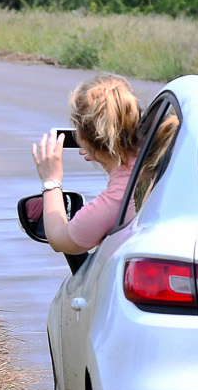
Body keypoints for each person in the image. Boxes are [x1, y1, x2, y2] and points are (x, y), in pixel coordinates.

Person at [31, 73, 143, 255]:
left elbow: (60, 240)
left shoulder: (115, 201)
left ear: (80, 133)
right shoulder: (155, 161)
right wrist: (110, 160)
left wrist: (51, 181)